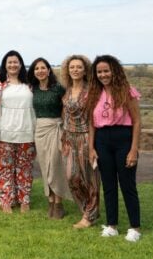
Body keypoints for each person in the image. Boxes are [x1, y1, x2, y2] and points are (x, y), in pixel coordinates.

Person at [88, 55, 143, 242]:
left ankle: (135, 228)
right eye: (99, 72)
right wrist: (91, 148)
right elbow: (91, 124)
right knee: (108, 185)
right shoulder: (94, 94)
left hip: (123, 139)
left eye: (106, 71)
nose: (103, 75)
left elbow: (137, 121)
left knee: (127, 185)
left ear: (114, 71)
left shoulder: (126, 91)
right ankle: (112, 226)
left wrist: (133, 149)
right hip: (102, 140)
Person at [0, 50, 36, 213]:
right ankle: (6, 201)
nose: (13, 65)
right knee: (4, 170)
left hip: (26, 133)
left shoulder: (29, 83)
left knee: (25, 169)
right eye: (9, 62)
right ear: (5, 65)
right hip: (3, 134)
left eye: (15, 62)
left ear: (21, 64)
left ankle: (24, 200)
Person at [28, 57, 72, 219]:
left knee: (55, 165)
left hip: (56, 128)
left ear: (48, 70)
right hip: (39, 130)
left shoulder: (58, 88)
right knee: (44, 166)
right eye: (36, 68)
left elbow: (66, 109)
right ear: (33, 72)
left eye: (43, 68)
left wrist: (65, 130)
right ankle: (51, 201)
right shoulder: (32, 89)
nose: (40, 71)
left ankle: (59, 203)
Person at [60, 54, 100, 228]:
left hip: (85, 137)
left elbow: (92, 120)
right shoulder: (67, 90)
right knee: (72, 177)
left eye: (79, 67)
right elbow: (65, 114)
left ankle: (89, 216)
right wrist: (63, 137)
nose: (75, 70)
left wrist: (91, 147)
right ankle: (88, 209)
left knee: (90, 179)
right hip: (69, 137)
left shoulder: (91, 91)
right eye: (72, 67)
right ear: (67, 70)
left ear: (85, 70)